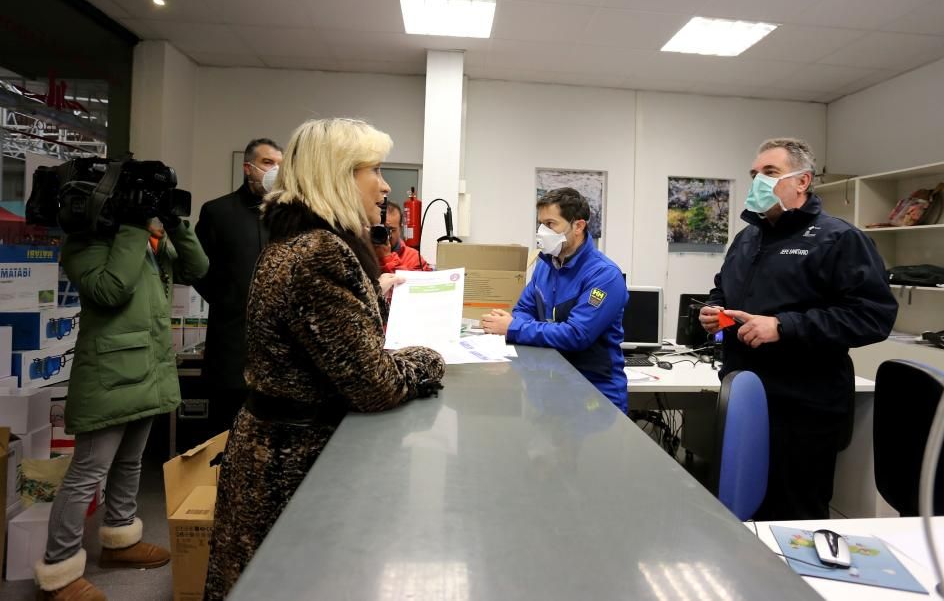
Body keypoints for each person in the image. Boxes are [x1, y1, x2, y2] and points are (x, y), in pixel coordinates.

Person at [203, 118, 445, 599]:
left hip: (278, 449)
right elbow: (374, 384)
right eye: (372, 170)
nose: (384, 185)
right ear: (336, 174)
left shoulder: (301, 241)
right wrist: (428, 360)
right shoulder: (320, 253)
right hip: (290, 464)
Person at [699, 137, 897, 520]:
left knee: (793, 517)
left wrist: (783, 327)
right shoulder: (747, 238)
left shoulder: (839, 238)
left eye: (770, 173)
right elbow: (724, 288)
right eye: (754, 174)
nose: (758, 181)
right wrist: (715, 310)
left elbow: (873, 316)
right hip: (746, 396)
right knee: (742, 510)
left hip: (803, 408)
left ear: (802, 181)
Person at [35, 214, 208, 601]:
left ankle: (120, 540)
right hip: (109, 373)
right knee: (88, 471)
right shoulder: (84, 241)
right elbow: (111, 290)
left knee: (131, 461)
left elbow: (197, 268)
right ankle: (58, 573)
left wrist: (177, 226)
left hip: (148, 366)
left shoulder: (148, 241)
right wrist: (132, 228)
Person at [481, 187, 629, 413]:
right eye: (540, 224)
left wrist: (514, 328)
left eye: (550, 224)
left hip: (594, 396)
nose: (542, 231)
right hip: (551, 390)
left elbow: (577, 335)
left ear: (578, 226)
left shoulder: (604, 275)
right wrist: (516, 324)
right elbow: (523, 309)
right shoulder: (545, 266)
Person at [194, 138, 283, 433]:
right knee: (225, 436)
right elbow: (198, 270)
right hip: (231, 349)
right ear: (249, 167)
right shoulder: (218, 213)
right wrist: (229, 299)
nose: (275, 170)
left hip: (277, 354)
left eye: (281, 165)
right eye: (269, 163)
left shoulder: (287, 217)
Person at [374, 200, 432, 273]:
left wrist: (387, 258)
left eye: (390, 229)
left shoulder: (414, 258)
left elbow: (413, 283)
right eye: (379, 229)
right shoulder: (361, 254)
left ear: (400, 228)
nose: (384, 234)